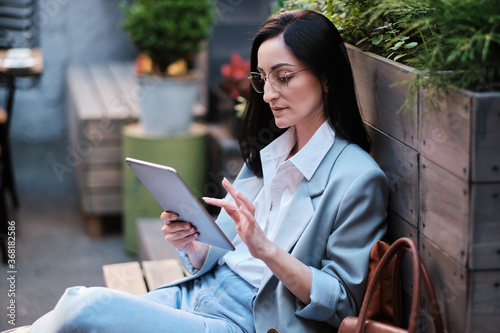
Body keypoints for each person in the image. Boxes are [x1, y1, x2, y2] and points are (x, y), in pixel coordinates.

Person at [29, 9, 388, 332]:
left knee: (87, 307)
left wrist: (267, 250)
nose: (268, 94)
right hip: (198, 295)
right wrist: (195, 245)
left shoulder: (358, 178)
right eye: (263, 78)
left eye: (284, 76)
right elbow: (227, 250)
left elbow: (344, 304)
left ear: (326, 77)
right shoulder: (271, 152)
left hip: (249, 320)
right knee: (76, 313)